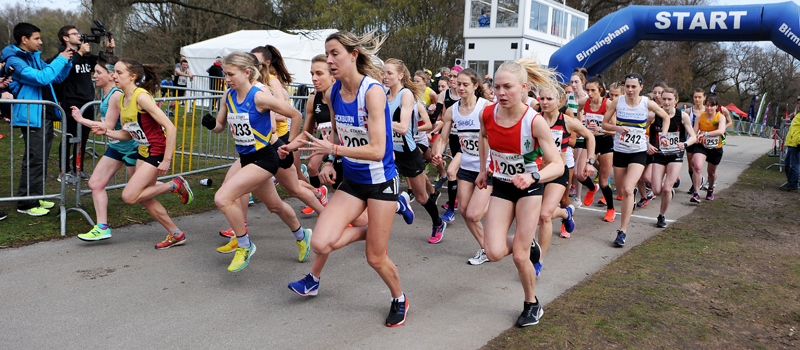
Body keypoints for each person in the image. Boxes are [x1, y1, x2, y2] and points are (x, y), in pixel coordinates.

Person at [283, 31, 410, 328]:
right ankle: (377, 229)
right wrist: (329, 159)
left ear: (353, 55)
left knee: (375, 258)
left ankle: (399, 298)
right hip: (352, 183)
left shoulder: (373, 92)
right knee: (322, 243)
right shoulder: (333, 93)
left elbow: (378, 150)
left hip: (380, 183)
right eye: (327, 54)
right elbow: (340, 132)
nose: (329, 60)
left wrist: (334, 150)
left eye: (335, 53)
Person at [476, 59, 563, 327]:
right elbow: (483, 137)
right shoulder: (488, 114)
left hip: (530, 188)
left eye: (508, 87)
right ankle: (527, 241)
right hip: (502, 185)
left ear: (524, 88)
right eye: (497, 87)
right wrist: (483, 169)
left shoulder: (534, 122)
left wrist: (533, 175)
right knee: (492, 252)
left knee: (518, 256)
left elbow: (558, 165)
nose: (500, 93)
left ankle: (531, 303)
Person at [202, 52, 306, 271]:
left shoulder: (259, 96)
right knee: (274, 205)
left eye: (231, 74)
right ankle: (302, 234)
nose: (226, 79)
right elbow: (220, 127)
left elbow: (295, 114)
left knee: (222, 197)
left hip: (265, 158)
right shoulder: (228, 96)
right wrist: (211, 124)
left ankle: (244, 244)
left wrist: (291, 144)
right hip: (246, 158)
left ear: (247, 73)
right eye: (225, 74)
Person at [89, 58, 193, 249]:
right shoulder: (122, 99)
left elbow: (170, 128)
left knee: (129, 196)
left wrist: (167, 160)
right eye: (114, 72)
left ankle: (174, 184)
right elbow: (128, 134)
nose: (114, 76)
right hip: (142, 151)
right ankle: (176, 234)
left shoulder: (141, 97)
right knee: (144, 198)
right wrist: (107, 132)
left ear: (132, 76)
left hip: (157, 151)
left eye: (119, 73)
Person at [2, 22, 73, 217]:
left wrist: (66, 62)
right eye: (37, 38)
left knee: (40, 158)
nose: (41, 42)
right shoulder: (14, 60)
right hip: (31, 115)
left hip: (44, 113)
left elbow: (55, 78)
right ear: (24, 40)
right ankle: (26, 203)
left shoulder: (32, 57)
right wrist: (59, 58)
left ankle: (36, 196)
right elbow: (41, 78)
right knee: (34, 158)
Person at [69, 53, 139, 241]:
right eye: (94, 72)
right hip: (116, 147)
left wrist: (81, 119)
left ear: (110, 75)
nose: (94, 76)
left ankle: (174, 185)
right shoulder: (107, 94)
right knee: (95, 183)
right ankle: (102, 227)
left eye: (98, 72)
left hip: (132, 148)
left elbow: (107, 126)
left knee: (139, 191)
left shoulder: (116, 96)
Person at [601, 73, 670, 247]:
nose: (630, 90)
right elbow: (604, 124)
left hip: (638, 152)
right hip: (620, 151)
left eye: (633, 86)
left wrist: (663, 135)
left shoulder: (648, 103)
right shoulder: (618, 102)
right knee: (623, 193)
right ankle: (629, 202)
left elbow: (666, 117)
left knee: (627, 188)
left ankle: (622, 231)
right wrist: (618, 128)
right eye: (627, 86)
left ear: (640, 87)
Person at [535, 85, 595, 275]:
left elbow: (590, 136)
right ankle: (566, 213)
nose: (544, 102)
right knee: (533, 215)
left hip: (558, 171)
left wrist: (590, 161)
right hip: (535, 172)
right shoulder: (533, 120)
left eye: (549, 99)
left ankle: (539, 260)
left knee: (544, 215)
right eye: (542, 98)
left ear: (559, 101)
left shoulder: (567, 121)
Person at [385, 59, 446, 242]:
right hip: (389, 151)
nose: (385, 76)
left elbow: (403, 128)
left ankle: (437, 223)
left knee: (421, 197)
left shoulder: (406, 95)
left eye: (389, 73)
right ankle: (398, 206)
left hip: (408, 152)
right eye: (383, 73)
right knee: (379, 190)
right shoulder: (381, 94)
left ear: (401, 76)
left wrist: (378, 122)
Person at [432, 68, 489, 260]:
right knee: (464, 212)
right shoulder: (452, 110)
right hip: (466, 165)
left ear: (475, 86)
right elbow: (443, 137)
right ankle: (486, 249)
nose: (461, 87)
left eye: (466, 84)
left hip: (487, 167)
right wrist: (439, 153)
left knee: (474, 214)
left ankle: (501, 206)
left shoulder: (486, 107)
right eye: (459, 84)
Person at [54, 25, 115, 180]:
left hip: (88, 102)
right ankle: (64, 171)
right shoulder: (63, 56)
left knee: (83, 138)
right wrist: (79, 53)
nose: (79, 35)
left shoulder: (86, 56)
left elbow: (104, 64)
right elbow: (63, 71)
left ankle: (78, 169)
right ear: (65, 38)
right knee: (69, 137)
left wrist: (108, 50)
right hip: (72, 102)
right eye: (74, 33)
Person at [648, 88, 697, 227]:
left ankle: (661, 215)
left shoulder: (682, 116)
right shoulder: (653, 115)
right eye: (664, 99)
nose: (666, 102)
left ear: (676, 101)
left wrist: (685, 144)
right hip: (659, 155)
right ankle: (668, 192)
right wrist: (647, 144)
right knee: (657, 190)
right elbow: (640, 131)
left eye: (670, 99)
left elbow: (693, 136)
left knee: (666, 189)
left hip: (675, 155)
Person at [577, 76, 615, 222]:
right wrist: (581, 125)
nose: (589, 93)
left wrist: (601, 129)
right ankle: (593, 188)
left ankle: (610, 209)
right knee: (580, 175)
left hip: (605, 141)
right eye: (587, 90)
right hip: (589, 140)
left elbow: (614, 129)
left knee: (604, 182)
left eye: (593, 90)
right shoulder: (583, 102)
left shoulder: (608, 104)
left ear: (600, 90)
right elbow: (579, 111)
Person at [690, 94, 726, 203]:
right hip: (702, 146)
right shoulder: (700, 117)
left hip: (715, 148)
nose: (709, 108)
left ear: (716, 107)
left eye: (712, 106)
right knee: (697, 167)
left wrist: (706, 133)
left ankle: (710, 188)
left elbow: (721, 131)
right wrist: (695, 138)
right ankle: (696, 193)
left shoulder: (720, 117)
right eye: (707, 106)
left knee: (711, 173)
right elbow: (694, 131)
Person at [438, 66, 463, 222]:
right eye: (451, 76)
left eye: (456, 76)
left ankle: (453, 206)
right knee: (455, 171)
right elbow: (441, 118)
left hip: (469, 143)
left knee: (453, 171)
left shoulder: (479, 103)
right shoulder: (445, 94)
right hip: (454, 138)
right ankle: (454, 201)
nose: (452, 79)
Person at [780, 99, 800, 192]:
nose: (798, 102)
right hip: (791, 142)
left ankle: (793, 184)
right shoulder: (797, 113)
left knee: (794, 165)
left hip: (796, 143)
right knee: (788, 163)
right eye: (798, 100)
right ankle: (790, 182)